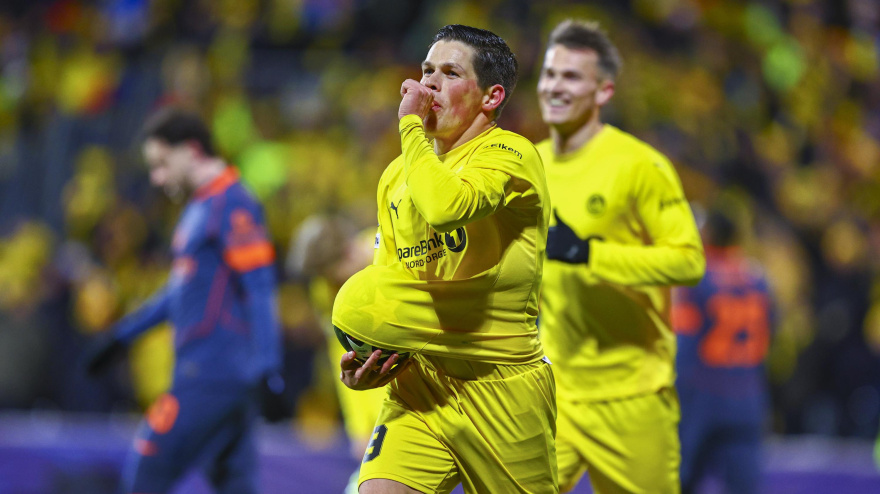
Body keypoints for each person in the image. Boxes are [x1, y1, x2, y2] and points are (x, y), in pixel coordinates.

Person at [331, 24, 557, 494]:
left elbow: (446, 207)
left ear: (491, 97)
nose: (430, 83)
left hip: (502, 386)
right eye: (427, 70)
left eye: (450, 73)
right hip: (422, 385)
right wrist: (375, 359)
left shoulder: (512, 154)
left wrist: (410, 126)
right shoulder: (397, 176)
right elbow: (395, 280)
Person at [535, 19, 705, 493]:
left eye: (571, 77)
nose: (553, 86)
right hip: (555, 394)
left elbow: (688, 262)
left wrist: (590, 254)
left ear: (603, 90)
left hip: (632, 397)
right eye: (549, 74)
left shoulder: (640, 166)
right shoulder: (528, 164)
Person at [83, 108, 283, 494]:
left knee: (147, 469)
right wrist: (121, 337)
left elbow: (260, 288)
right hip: (216, 377)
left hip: (211, 376)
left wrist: (269, 367)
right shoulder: (200, 207)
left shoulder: (234, 203)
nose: (157, 179)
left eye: (161, 164)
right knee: (234, 486)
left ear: (191, 151)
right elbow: (179, 292)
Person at [673, 206, 774, 494]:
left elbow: (685, 344)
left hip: (701, 395)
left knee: (680, 481)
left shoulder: (697, 279)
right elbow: (770, 333)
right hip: (749, 396)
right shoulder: (759, 278)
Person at [287, 214, 387, 494]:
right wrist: (358, 427)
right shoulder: (327, 292)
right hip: (383, 413)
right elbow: (342, 358)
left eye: (329, 275)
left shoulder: (393, 251)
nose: (328, 286)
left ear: (348, 251)